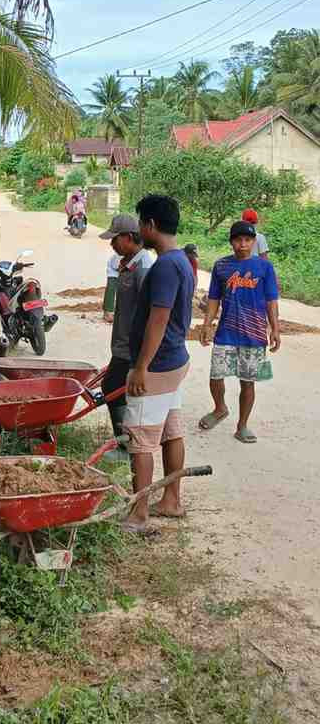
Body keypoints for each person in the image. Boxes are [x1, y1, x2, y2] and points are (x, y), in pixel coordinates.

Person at [121, 194, 195, 533]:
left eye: (140, 223)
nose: (138, 230)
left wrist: (141, 367)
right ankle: (171, 500)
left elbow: (159, 320)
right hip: (175, 360)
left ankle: (139, 515)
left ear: (150, 225)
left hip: (159, 365)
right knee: (170, 430)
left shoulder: (165, 265)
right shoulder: (182, 260)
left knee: (141, 439)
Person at [199, 220, 280, 444]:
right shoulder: (221, 266)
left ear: (254, 242)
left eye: (247, 240)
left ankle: (242, 425)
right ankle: (220, 408)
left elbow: (271, 300)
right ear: (232, 242)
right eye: (238, 240)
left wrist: (275, 328)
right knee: (216, 375)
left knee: (247, 381)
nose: (242, 244)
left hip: (254, 336)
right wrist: (207, 325)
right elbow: (214, 298)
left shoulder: (265, 268)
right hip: (226, 332)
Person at [98, 214, 154, 435]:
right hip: (122, 344)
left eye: (115, 239)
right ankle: (126, 440)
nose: (112, 244)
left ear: (129, 237)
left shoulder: (143, 267)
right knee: (115, 388)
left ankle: (124, 442)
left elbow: (150, 312)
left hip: (132, 346)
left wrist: (142, 357)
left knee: (112, 388)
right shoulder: (129, 263)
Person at [103, 249, 121, 322]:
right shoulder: (119, 255)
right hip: (113, 272)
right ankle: (108, 312)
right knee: (111, 290)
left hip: (121, 272)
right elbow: (116, 266)